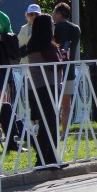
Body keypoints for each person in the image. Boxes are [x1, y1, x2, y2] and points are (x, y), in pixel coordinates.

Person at [23, 14, 65, 169]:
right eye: (52, 24)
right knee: (49, 123)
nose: (54, 27)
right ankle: (43, 159)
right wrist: (64, 58)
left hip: (41, 86)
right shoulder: (46, 47)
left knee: (49, 122)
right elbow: (55, 65)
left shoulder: (34, 45)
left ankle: (50, 158)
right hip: (48, 86)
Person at [52, 3, 81, 133]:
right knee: (66, 105)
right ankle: (65, 132)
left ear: (59, 14)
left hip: (54, 71)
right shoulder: (76, 29)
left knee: (52, 104)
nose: (53, 15)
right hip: (69, 70)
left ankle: (52, 133)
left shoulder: (53, 28)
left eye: (54, 12)